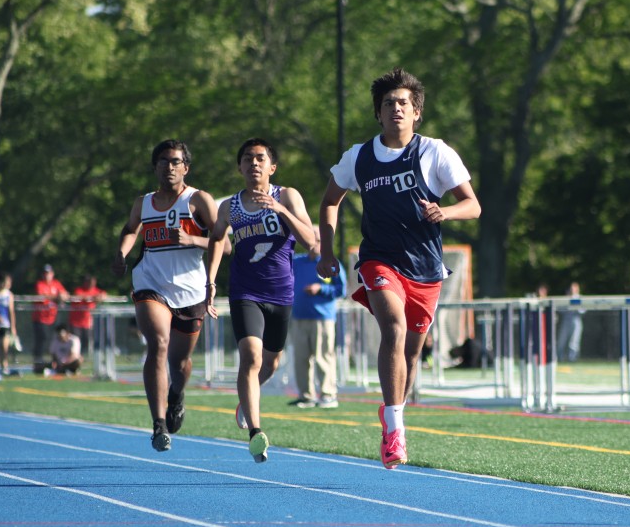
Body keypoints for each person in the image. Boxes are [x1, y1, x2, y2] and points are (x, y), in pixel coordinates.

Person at [317, 68, 481, 469]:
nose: (396, 109)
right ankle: (395, 430)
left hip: (425, 267)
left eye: (404, 103)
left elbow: (473, 205)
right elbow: (330, 201)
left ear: (417, 112)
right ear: (378, 113)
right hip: (379, 259)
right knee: (393, 327)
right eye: (389, 103)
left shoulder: (435, 152)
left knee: (411, 353)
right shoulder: (358, 157)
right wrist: (326, 251)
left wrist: (444, 211)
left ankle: (394, 410)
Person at [206, 138, 317, 463]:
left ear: (272, 167)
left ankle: (246, 399)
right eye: (247, 158)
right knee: (251, 357)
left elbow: (311, 241)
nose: (253, 163)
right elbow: (216, 239)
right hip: (245, 292)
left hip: (280, 292)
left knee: (270, 363)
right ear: (240, 167)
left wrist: (281, 210)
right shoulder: (229, 207)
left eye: (259, 158)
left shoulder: (288, 196)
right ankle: (256, 432)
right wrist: (210, 280)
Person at [112, 139, 220, 453]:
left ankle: (177, 395)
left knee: (180, 361)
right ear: (155, 167)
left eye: (175, 162)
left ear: (186, 167)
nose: (169, 167)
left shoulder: (198, 200)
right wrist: (122, 253)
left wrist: (192, 240)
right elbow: (130, 229)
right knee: (158, 343)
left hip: (190, 290)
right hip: (151, 283)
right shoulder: (143, 203)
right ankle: (158, 424)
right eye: (163, 161)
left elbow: (224, 243)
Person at [289, 227, 347, 409]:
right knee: (301, 358)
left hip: (322, 318)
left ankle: (328, 395)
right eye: (311, 239)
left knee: (323, 357)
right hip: (298, 316)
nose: (314, 244)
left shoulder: (330, 262)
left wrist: (321, 288)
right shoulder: (297, 261)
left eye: (318, 240)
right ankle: (306, 396)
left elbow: (341, 290)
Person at [31, 264, 68, 373]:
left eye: (49, 273)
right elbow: (42, 296)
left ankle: (56, 362)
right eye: (45, 273)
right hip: (40, 318)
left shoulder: (56, 284)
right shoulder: (40, 284)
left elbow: (65, 294)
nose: (47, 275)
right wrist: (56, 297)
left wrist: (62, 296)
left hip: (52, 318)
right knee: (41, 340)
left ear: (52, 274)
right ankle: (38, 363)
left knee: (54, 340)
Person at [69, 275, 106, 354]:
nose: (91, 284)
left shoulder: (95, 290)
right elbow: (78, 295)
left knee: (86, 340)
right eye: (89, 282)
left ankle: (84, 356)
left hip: (87, 322)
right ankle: (75, 356)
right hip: (76, 322)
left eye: (93, 283)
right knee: (76, 341)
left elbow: (103, 294)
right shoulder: (79, 290)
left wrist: (101, 297)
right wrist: (91, 298)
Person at [556, 281, 585, 362]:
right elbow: (560, 310)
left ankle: (572, 358)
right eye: (571, 288)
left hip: (576, 320)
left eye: (574, 288)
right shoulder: (565, 298)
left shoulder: (580, 298)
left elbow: (582, 311)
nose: (572, 290)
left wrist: (576, 304)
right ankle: (560, 357)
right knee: (562, 339)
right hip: (566, 320)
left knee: (574, 340)